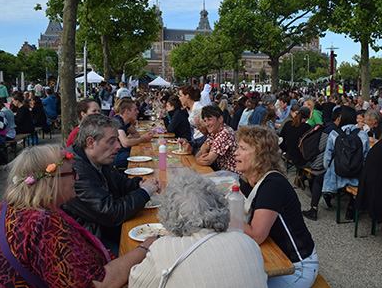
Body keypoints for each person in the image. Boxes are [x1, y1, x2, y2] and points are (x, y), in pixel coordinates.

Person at [0, 144, 156, 287]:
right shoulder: (44, 224)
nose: (77, 177)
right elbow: (98, 283)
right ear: (50, 181)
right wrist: (144, 248)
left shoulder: (8, 206)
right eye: (72, 172)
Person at [128, 171, 267, 287]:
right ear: (219, 205)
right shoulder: (247, 242)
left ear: (168, 216)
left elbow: (135, 283)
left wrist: (144, 248)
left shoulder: (162, 249)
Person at [63, 114, 160, 254]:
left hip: (104, 229)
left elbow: (119, 183)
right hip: (89, 243)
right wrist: (145, 192)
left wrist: (139, 183)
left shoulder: (97, 159)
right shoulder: (76, 173)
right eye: (111, 141)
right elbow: (112, 213)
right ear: (90, 142)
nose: (118, 146)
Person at [236, 125, 318, 287]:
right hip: (277, 256)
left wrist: (222, 219)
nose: (236, 152)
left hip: (297, 268)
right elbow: (237, 205)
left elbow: (256, 235)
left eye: (242, 149)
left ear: (261, 155)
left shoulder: (272, 185)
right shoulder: (250, 180)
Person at [321, 106, 370, 219]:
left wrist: (328, 169)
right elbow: (365, 156)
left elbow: (328, 157)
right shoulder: (363, 135)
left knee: (332, 169)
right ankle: (351, 208)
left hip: (337, 174)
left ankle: (328, 195)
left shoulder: (334, 134)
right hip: (356, 174)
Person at [195, 105, 238, 173]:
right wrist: (201, 153)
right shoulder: (214, 133)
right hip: (223, 174)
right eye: (205, 121)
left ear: (220, 119)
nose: (206, 124)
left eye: (209, 120)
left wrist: (197, 160)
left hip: (232, 178)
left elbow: (208, 160)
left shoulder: (225, 133)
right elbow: (201, 151)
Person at [112, 98, 153, 168]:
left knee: (143, 153)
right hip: (112, 157)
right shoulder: (118, 121)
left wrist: (129, 141)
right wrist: (143, 139)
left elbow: (136, 134)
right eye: (135, 110)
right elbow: (125, 144)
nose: (137, 112)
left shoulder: (126, 121)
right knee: (141, 156)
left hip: (119, 152)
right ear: (127, 111)